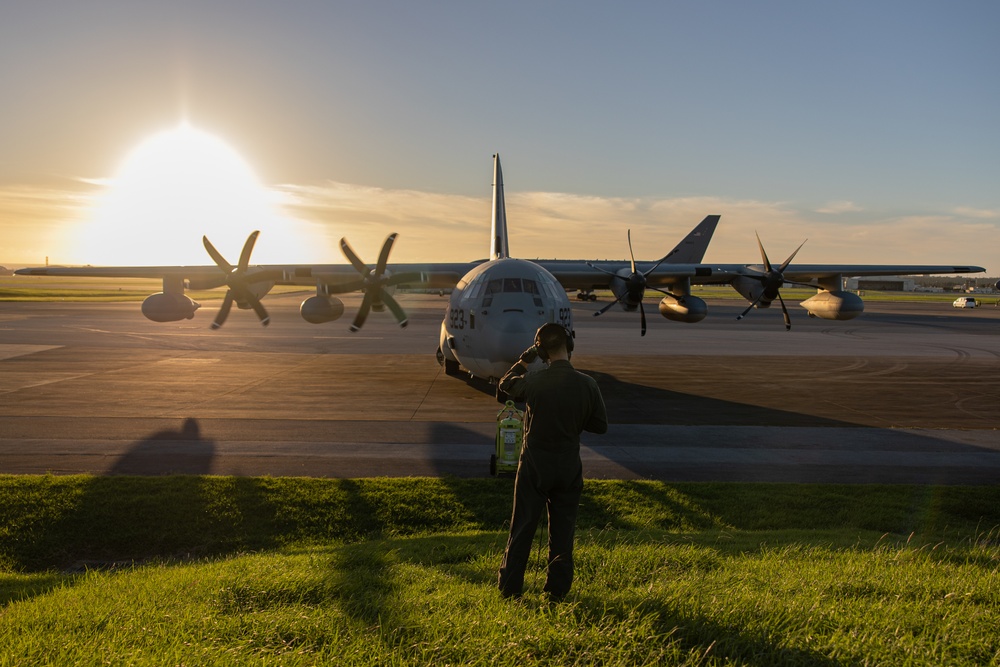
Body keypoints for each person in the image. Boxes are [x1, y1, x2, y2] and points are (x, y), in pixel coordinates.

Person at [496, 322, 608, 601]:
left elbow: (505, 386)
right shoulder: (588, 384)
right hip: (568, 465)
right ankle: (556, 592)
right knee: (563, 532)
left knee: (522, 527)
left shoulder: (534, 382)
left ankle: (510, 590)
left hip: (535, 465)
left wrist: (524, 360)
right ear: (569, 346)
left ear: (541, 351)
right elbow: (600, 425)